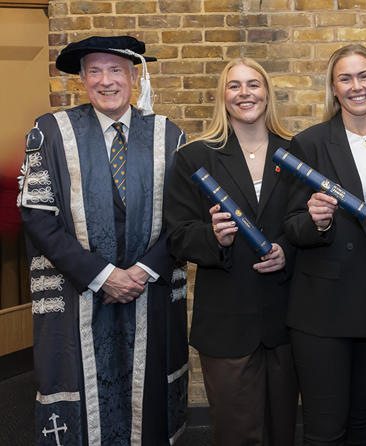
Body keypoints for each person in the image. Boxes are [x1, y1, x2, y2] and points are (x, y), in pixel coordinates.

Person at [18, 35, 188, 445]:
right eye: (95, 71)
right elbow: (38, 219)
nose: (106, 81)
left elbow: (183, 219)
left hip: (148, 292)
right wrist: (103, 275)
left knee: (147, 410)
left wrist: (140, 273)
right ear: (81, 79)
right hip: (78, 295)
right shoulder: (51, 132)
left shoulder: (168, 135)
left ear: (134, 77)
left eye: (116, 71)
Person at [164, 58, 299, 445]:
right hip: (226, 322)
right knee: (236, 433)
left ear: (267, 93)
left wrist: (287, 251)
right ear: (223, 97)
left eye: (253, 85)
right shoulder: (195, 158)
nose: (245, 94)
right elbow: (177, 235)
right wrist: (215, 238)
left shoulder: (295, 152)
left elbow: (305, 220)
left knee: (282, 430)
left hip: (287, 318)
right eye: (234, 86)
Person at [282, 44, 366, 446]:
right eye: (346, 78)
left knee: (362, 419)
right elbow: (291, 226)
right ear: (333, 89)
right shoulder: (310, 144)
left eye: (364, 76)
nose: (357, 86)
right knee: (324, 427)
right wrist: (317, 222)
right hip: (324, 304)